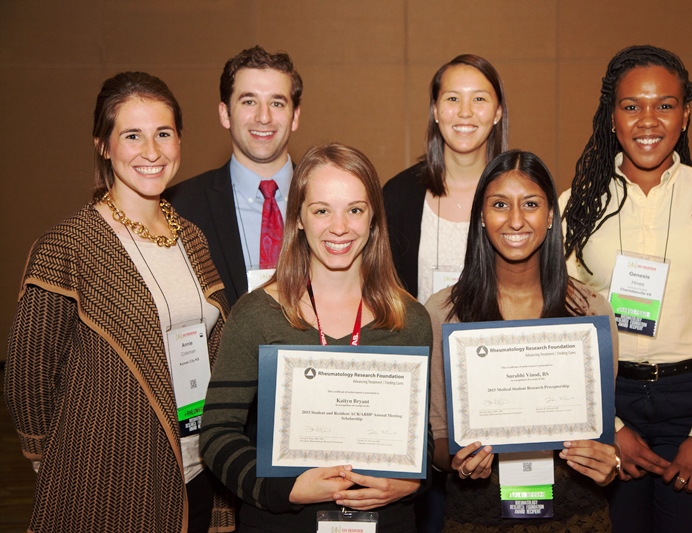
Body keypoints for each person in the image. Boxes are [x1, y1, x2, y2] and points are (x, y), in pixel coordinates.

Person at [5, 72, 234, 532]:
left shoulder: (191, 237)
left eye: (163, 133)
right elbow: (27, 376)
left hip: (197, 465)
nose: (152, 152)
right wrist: (54, 461)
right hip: (109, 478)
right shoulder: (69, 245)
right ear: (104, 146)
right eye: (132, 135)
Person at [560, 45, 692, 532]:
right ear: (611, 116)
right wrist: (609, 426)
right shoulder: (576, 207)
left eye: (665, 105)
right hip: (610, 401)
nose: (648, 120)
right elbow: (562, 328)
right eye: (631, 105)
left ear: (685, 115)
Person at [200, 143, 433, 533]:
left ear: (374, 218)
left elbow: (418, 439)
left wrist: (411, 482)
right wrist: (285, 489)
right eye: (322, 210)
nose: (339, 227)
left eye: (354, 210)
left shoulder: (409, 320)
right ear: (299, 218)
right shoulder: (257, 314)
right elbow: (217, 433)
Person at [427, 150, 619, 531]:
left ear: (550, 216)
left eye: (530, 204)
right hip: (478, 515)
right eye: (500, 204)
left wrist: (608, 464)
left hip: (575, 513)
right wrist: (459, 460)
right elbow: (439, 439)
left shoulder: (590, 311)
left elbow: (604, 434)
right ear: (482, 216)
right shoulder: (445, 312)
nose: (516, 220)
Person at [165, 46, 302, 306]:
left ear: (295, 116)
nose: (264, 117)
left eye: (277, 103)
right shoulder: (178, 208)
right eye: (249, 101)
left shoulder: (328, 201)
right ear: (225, 113)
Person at [383, 54, 508, 304]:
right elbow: (383, 291)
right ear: (435, 111)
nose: (465, 112)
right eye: (452, 98)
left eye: (479, 99)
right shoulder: (399, 195)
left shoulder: (520, 195)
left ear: (497, 113)